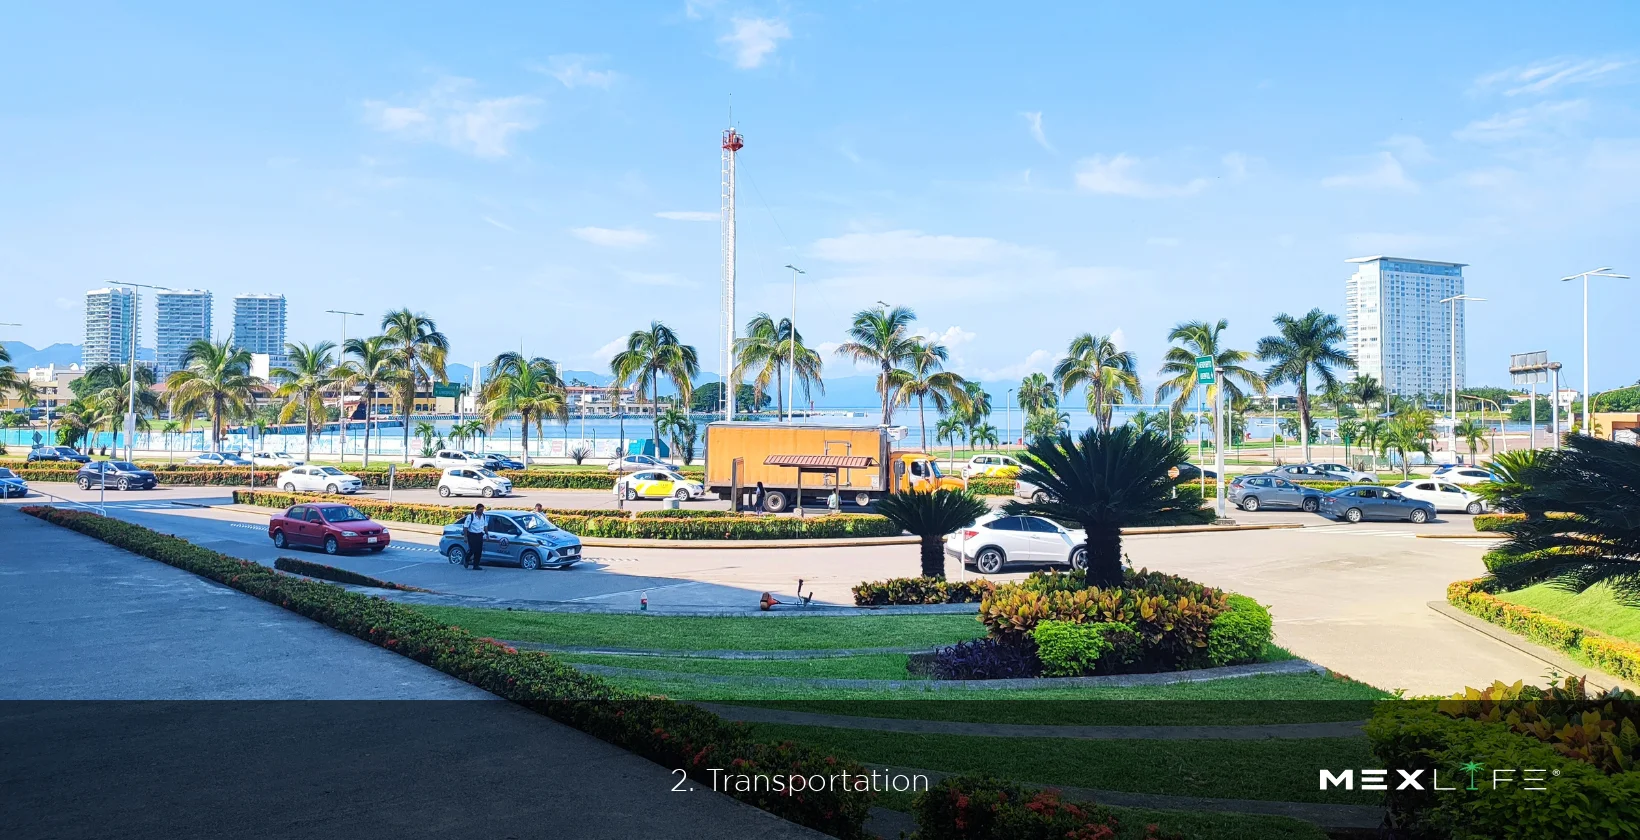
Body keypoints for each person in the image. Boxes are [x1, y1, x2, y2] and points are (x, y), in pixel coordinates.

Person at [461, 503, 488, 570]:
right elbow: (465, 527)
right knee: (472, 549)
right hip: (472, 535)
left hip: (480, 535)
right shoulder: (471, 516)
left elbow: (485, 526)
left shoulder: (483, 516)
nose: (482, 511)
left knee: (479, 551)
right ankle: (466, 559)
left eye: (483, 510)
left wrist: (487, 534)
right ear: (477, 509)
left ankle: (476, 565)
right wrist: (465, 536)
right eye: (481, 510)